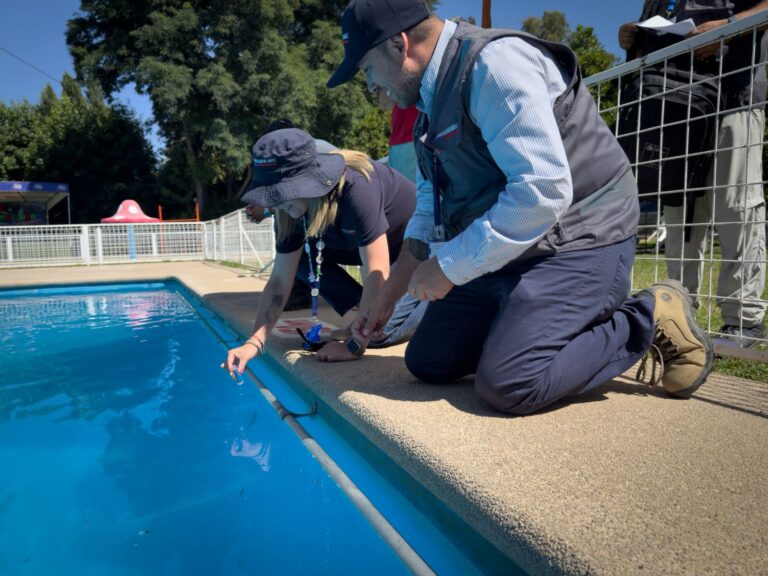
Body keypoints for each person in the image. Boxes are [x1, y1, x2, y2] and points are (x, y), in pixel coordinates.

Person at [325, 0, 714, 415]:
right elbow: (428, 204)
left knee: (511, 383)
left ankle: (649, 313)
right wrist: (388, 293)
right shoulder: (428, 106)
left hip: (579, 238)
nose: (371, 86)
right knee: (428, 362)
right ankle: (521, 328)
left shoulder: (494, 65)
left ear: (399, 45)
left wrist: (450, 266)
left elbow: (542, 192)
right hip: (512, 248)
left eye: (367, 69)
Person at [619, 1, 768, 348]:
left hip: (733, 95)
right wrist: (634, 37)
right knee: (678, 214)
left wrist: (728, 26)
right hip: (673, 104)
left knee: (737, 207)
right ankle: (677, 319)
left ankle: (743, 323)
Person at [222, 127, 417, 375]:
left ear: (308, 182)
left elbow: (376, 271)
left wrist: (355, 346)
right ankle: (361, 311)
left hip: (414, 251)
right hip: (357, 245)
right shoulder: (287, 210)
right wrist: (254, 343)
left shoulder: (357, 185)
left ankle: (372, 320)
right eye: (271, 197)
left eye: (280, 195)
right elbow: (280, 279)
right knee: (301, 257)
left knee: (382, 334)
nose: (274, 205)